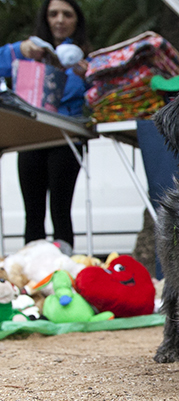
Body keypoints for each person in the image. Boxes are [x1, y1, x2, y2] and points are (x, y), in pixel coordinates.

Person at [0, 0, 91, 252]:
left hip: (66, 139)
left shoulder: (85, 60)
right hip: (30, 137)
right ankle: (33, 273)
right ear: (45, 18)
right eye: (53, 14)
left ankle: (64, 272)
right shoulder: (28, 52)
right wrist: (19, 49)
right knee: (33, 213)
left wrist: (89, 75)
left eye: (67, 14)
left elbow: (101, 99)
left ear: (76, 20)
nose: (60, 20)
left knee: (61, 210)